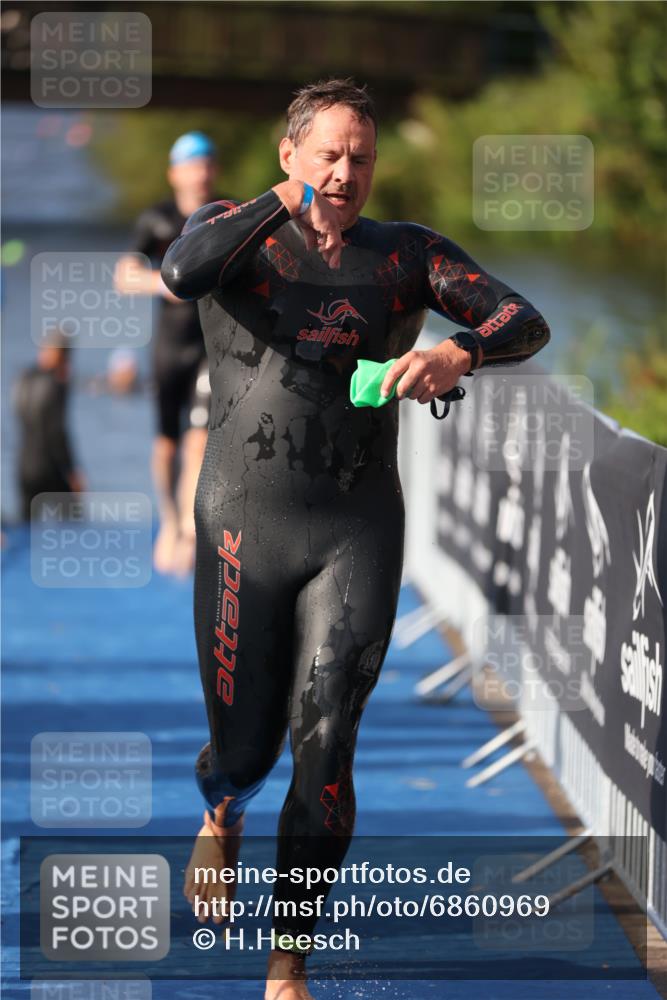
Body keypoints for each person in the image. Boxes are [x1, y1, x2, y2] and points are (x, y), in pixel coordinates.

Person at [161, 78, 550, 999]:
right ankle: (223, 806)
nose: (345, 173)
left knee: (327, 740)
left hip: (356, 525)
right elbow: (181, 274)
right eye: (328, 154)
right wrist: (277, 202)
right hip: (241, 526)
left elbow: (520, 318)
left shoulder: (405, 257)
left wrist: (459, 352)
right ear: (290, 154)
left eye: (361, 158)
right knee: (247, 749)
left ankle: (286, 961)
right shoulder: (237, 233)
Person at [114, 131, 225, 575]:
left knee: (198, 441)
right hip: (168, 347)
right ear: (174, 173)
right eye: (191, 165)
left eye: (207, 164)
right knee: (166, 445)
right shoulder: (156, 220)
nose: (200, 174)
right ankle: (169, 520)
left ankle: (190, 531)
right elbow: (123, 276)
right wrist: (169, 283)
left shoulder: (224, 214)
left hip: (210, 348)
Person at [14, 332, 85, 521]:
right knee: (73, 525)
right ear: (61, 354)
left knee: (26, 530)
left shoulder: (23, 379)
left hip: (24, 466)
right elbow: (57, 432)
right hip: (50, 468)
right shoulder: (56, 383)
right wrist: (72, 472)